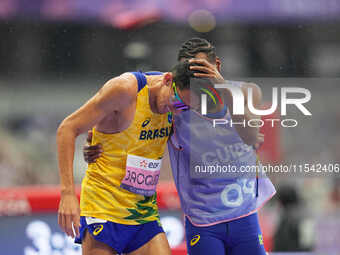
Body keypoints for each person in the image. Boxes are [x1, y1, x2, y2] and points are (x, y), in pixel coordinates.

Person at [84, 38, 276, 255]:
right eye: (186, 71)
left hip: (244, 214)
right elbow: (127, 115)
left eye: (201, 70)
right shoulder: (174, 109)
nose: (193, 78)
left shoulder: (247, 92)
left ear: (217, 67)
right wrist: (96, 140)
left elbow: (250, 136)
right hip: (203, 220)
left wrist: (222, 88)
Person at [56, 62, 204, 255]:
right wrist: (67, 194)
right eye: (177, 103)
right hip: (103, 208)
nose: (176, 111)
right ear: (168, 80)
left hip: (143, 213)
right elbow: (67, 128)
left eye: (185, 108)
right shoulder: (125, 90)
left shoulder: (177, 101)